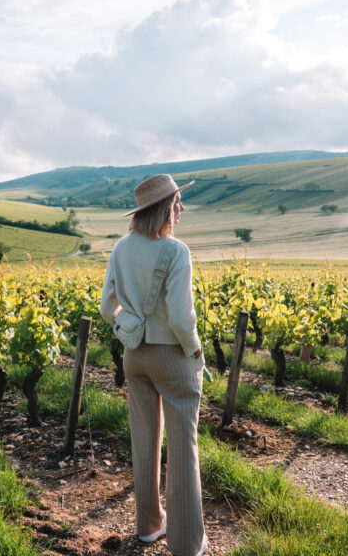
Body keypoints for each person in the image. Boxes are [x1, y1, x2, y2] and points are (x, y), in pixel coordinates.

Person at [99, 174, 208, 556]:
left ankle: (148, 527)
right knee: (183, 448)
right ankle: (186, 543)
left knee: (144, 441)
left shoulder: (120, 248)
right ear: (164, 207)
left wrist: (127, 330)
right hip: (172, 358)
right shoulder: (176, 251)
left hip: (135, 357)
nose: (182, 208)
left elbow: (105, 308)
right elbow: (180, 317)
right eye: (178, 201)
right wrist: (194, 349)